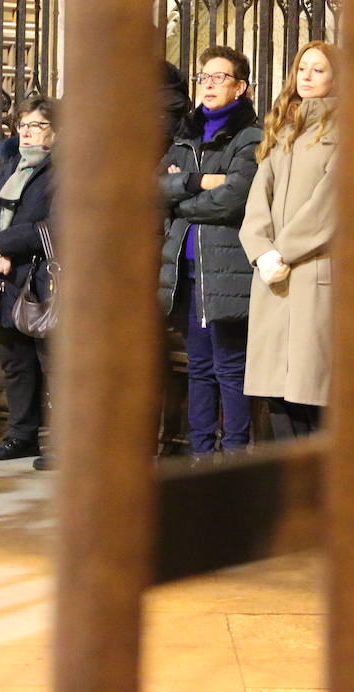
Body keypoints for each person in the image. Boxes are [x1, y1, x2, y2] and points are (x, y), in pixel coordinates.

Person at [158, 45, 263, 458]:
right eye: (204, 77)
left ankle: (234, 454)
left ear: (241, 87)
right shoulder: (184, 135)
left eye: (220, 77)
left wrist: (179, 192)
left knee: (229, 368)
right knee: (199, 368)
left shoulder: (250, 137)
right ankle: (201, 454)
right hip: (184, 270)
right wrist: (197, 183)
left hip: (226, 269)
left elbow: (235, 198)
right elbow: (153, 189)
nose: (210, 84)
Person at [239, 40, 339, 439]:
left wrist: (284, 250)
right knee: (276, 391)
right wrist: (261, 252)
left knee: (311, 389)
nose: (308, 76)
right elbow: (257, 200)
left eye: (319, 69)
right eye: (303, 68)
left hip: (313, 270)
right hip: (273, 278)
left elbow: (331, 203)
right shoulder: (283, 128)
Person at [0, 94, 57, 462]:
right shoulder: (10, 164)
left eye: (37, 126)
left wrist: (2, 243)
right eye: (22, 125)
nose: (27, 133)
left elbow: (59, 224)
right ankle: (21, 434)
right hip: (4, 276)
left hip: (40, 277)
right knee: (14, 361)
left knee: (52, 363)